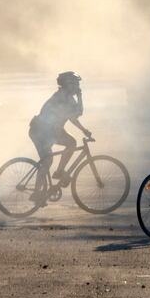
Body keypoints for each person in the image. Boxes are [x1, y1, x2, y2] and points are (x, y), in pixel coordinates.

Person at [28, 71, 91, 203]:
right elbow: (77, 113)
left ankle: (59, 171)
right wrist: (80, 97)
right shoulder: (62, 97)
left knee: (72, 143)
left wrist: (84, 130)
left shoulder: (67, 97)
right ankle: (36, 194)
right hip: (41, 131)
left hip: (52, 131)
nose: (77, 86)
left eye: (77, 83)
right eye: (74, 83)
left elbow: (73, 116)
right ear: (66, 85)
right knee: (47, 161)